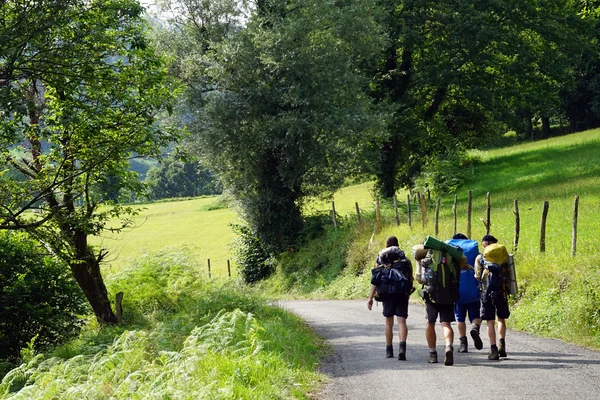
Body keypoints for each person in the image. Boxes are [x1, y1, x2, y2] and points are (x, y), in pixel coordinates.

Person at [414, 241, 460, 366]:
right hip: (448, 295)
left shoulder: (427, 255)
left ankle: (433, 354)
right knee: (446, 324)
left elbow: (419, 279)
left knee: (430, 323)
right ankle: (449, 346)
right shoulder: (450, 256)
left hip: (431, 295)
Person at [367, 236, 413, 360]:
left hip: (386, 293)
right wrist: (407, 293)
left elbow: (375, 279)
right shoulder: (404, 260)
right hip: (401, 293)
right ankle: (402, 349)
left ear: (386, 246)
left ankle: (389, 350)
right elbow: (410, 278)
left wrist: (370, 297)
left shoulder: (381, 260)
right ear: (398, 245)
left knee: (388, 322)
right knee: (402, 321)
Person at [475, 234, 510, 360]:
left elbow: (478, 276)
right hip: (502, 292)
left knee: (490, 321)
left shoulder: (481, 258)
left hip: (486, 293)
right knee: (501, 318)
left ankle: (493, 349)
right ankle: (502, 345)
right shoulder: (504, 257)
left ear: (484, 244)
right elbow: (509, 275)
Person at [446, 233, 483, 353]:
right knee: (476, 315)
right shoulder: (473, 251)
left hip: (458, 290)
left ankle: (463, 343)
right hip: (473, 289)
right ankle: (475, 328)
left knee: (460, 317)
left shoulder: (451, 251)